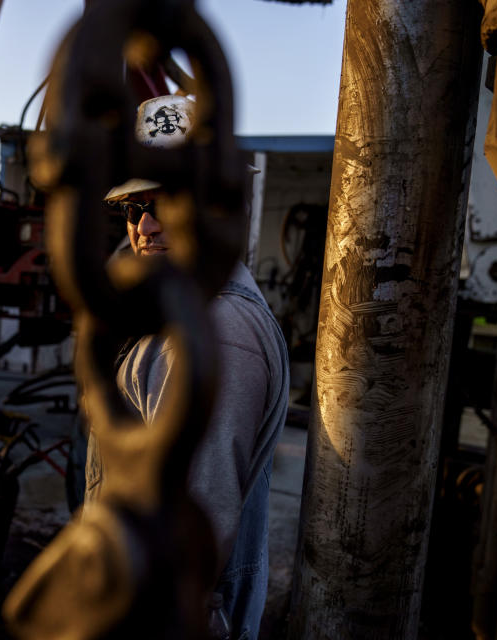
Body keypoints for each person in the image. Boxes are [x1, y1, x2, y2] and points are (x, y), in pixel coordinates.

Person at [84, 95, 290, 638]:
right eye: (135, 208)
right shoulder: (173, 313)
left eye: (167, 203)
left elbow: (196, 528)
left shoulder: (213, 334)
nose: (146, 226)